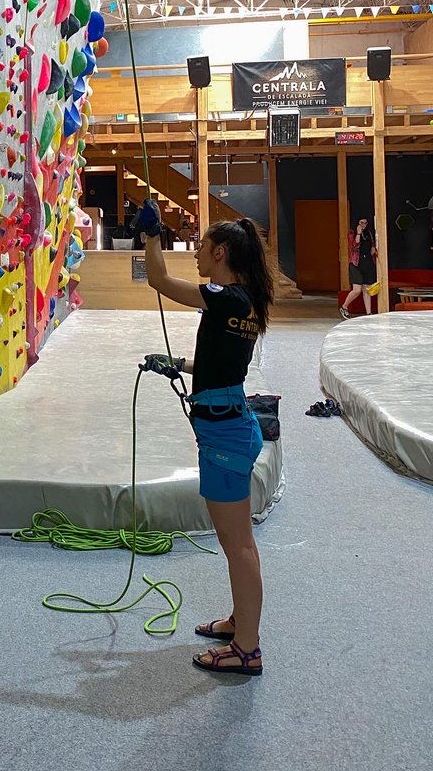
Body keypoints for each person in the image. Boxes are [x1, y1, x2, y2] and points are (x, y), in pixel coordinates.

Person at [138, 200, 274, 676]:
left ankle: (246, 648)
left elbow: (158, 279)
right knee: (237, 542)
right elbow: (222, 365)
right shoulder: (245, 301)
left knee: (239, 546)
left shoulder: (223, 296)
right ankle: (241, 622)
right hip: (231, 421)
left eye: (201, 248)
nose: (196, 254)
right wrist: (179, 365)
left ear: (220, 253)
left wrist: (151, 236)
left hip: (225, 435)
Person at [340, 218, 377, 319]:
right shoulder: (352, 233)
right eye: (361, 222)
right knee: (357, 290)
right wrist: (359, 233)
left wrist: (373, 251)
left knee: (366, 289)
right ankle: (344, 306)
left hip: (367, 262)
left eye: (365, 223)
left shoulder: (369, 233)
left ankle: (368, 312)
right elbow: (355, 246)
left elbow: (371, 247)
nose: (363, 225)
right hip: (356, 264)